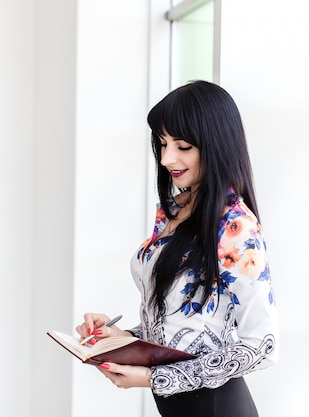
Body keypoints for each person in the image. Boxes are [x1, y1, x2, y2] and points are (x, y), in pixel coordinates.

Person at [75, 80, 279, 417]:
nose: (168, 158)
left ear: (215, 145)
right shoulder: (178, 210)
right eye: (162, 143)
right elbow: (182, 324)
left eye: (182, 146)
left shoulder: (235, 227)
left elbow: (263, 346)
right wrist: (120, 338)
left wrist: (156, 378)